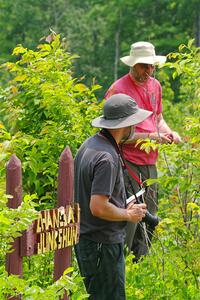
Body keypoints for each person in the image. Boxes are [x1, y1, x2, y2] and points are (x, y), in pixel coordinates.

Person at [105, 41, 181, 261]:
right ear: (133, 64)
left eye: (152, 66)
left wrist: (168, 132)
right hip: (127, 162)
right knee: (129, 217)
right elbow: (115, 133)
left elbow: (157, 118)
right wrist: (151, 137)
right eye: (143, 66)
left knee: (150, 216)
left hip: (150, 162)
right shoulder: (119, 90)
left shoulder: (155, 86)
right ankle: (122, 262)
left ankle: (142, 263)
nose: (148, 71)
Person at [74, 93, 152, 300]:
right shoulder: (107, 157)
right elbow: (98, 207)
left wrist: (122, 204)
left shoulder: (90, 145)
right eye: (134, 123)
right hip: (103, 245)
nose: (135, 128)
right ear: (125, 125)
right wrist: (128, 214)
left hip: (88, 240)